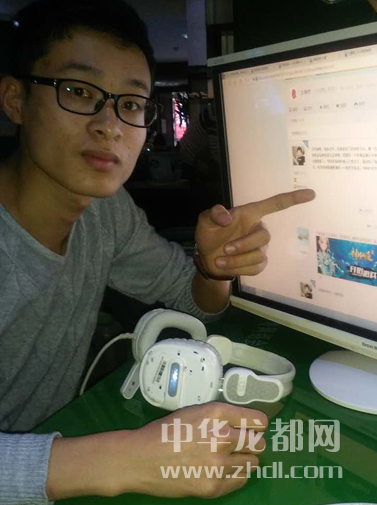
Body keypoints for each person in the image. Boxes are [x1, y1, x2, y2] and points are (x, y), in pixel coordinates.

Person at [0, 0, 315, 503]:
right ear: (15, 100)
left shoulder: (105, 214)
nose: (110, 125)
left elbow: (192, 302)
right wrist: (127, 458)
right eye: (78, 91)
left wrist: (213, 269)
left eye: (130, 104)